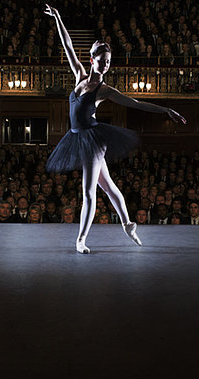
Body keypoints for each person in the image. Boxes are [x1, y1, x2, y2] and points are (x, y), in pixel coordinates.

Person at [44, 4, 186, 253]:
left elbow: (136, 103)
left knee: (88, 192)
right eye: (102, 61)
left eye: (108, 62)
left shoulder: (105, 90)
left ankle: (80, 240)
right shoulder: (78, 75)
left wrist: (165, 110)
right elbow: (67, 46)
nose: (106, 65)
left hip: (93, 139)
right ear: (91, 60)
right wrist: (58, 18)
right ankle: (128, 224)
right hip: (78, 137)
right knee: (108, 186)